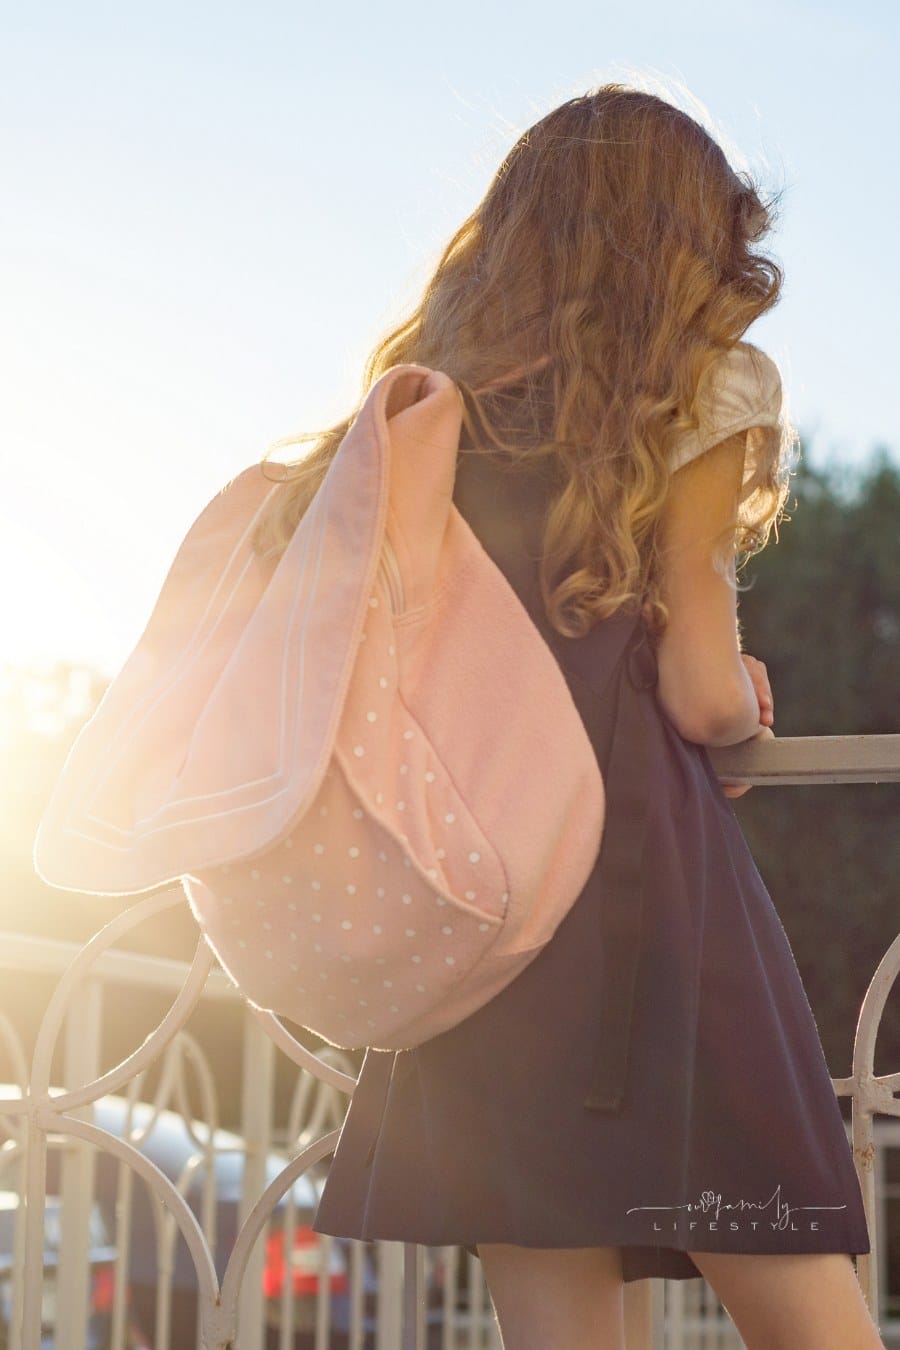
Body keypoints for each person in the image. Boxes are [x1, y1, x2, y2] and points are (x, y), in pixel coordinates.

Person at [251, 85, 885, 1349]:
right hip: (647, 896)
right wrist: (731, 682)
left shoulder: (433, 403)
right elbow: (705, 695)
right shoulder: (705, 383)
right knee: (804, 1301)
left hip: (480, 902)